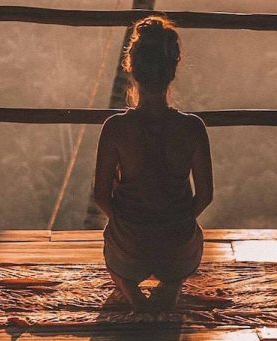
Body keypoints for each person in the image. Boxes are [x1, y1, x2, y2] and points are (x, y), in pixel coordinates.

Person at [92, 16, 213, 312]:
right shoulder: (192, 128)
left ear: (131, 68)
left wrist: (127, 224)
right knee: (183, 246)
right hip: (176, 246)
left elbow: (100, 195)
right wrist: (176, 221)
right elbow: (205, 196)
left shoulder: (115, 128)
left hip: (130, 245)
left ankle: (130, 290)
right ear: (172, 69)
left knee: (116, 258)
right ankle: (172, 283)